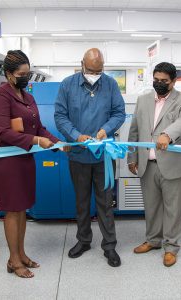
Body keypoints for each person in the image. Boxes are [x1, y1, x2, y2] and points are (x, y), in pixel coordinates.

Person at [0, 50, 60, 279]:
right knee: (12, 209)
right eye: (21, 74)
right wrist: (36, 141)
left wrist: (59, 143)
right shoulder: (1, 95)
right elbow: (1, 131)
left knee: (23, 209)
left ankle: (21, 254)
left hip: (24, 158)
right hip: (7, 160)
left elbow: (38, 127)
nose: (25, 77)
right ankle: (13, 260)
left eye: (28, 73)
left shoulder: (27, 96)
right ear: (9, 74)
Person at [54, 48, 126, 267]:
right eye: (92, 70)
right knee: (82, 202)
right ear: (82, 64)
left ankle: (110, 246)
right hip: (79, 155)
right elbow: (60, 116)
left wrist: (106, 129)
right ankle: (84, 241)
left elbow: (119, 113)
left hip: (104, 155)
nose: (96, 74)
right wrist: (77, 136)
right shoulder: (67, 85)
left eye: (100, 70)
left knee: (105, 203)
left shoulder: (111, 84)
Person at [127, 62, 181, 267]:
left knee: (174, 209)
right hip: (147, 164)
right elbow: (134, 131)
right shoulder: (143, 100)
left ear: (173, 81)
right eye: (156, 80)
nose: (159, 84)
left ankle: (171, 247)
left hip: (175, 165)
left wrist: (168, 134)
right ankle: (153, 240)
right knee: (151, 207)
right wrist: (132, 158)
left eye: (164, 81)